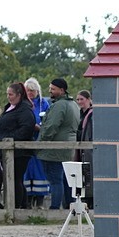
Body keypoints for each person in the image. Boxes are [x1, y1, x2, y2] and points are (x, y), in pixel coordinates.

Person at [38, 77, 81, 210]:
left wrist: (41, 143)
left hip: (54, 150)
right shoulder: (73, 104)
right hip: (68, 148)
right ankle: (70, 207)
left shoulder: (59, 105)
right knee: (66, 180)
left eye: (53, 89)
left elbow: (51, 127)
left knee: (55, 180)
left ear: (62, 90)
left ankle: (54, 208)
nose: (50, 91)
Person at [0, 81, 37, 211]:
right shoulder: (11, 107)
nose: (8, 96)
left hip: (19, 151)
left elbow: (26, 128)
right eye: (7, 94)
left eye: (11, 94)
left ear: (19, 94)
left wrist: (9, 138)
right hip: (7, 148)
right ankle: (20, 205)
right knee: (13, 179)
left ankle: (17, 207)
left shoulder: (24, 109)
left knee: (15, 178)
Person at [23, 77, 51, 207]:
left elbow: (49, 120)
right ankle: (27, 199)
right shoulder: (22, 103)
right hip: (26, 141)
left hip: (40, 140)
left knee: (40, 170)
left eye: (32, 90)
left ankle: (39, 200)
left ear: (37, 91)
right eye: (28, 90)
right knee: (27, 170)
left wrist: (40, 127)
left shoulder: (43, 103)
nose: (30, 93)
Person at [75, 89, 94, 207]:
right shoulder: (82, 114)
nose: (79, 102)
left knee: (89, 176)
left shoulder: (91, 114)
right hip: (82, 150)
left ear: (88, 100)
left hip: (88, 150)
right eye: (78, 99)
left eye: (82, 99)